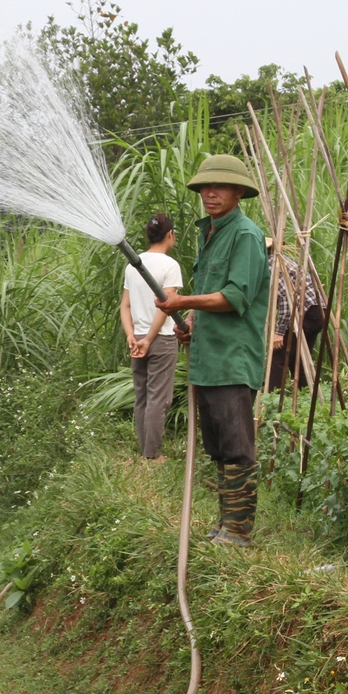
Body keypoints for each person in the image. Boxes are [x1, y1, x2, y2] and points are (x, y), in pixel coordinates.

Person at [156, 154, 270, 547]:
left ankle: (239, 531)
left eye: (220, 186)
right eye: (205, 186)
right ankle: (225, 525)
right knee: (219, 448)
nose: (211, 193)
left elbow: (236, 296)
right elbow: (212, 299)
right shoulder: (211, 233)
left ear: (239, 192)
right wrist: (191, 327)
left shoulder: (245, 235)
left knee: (237, 447)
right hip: (208, 358)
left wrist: (184, 302)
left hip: (232, 360)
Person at [120, 213, 183, 459]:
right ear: (170, 235)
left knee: (142, 395)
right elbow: (166, 305)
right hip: (162, 338)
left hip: (138, 338)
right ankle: (152, 455)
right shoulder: (169, 265)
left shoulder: (133, 264)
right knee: (159, 398)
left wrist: (132, 336)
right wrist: (150, 339)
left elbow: (124, 306)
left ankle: (145, 449)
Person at [267, 245, 325, 391]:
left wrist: (279, 332)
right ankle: (308, 395)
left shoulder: (272, 264)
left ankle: (272, 397)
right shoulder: (280, 260)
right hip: (317, 311)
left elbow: (287, 300)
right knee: (299, 359)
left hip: (306, 313)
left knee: (278, 356)